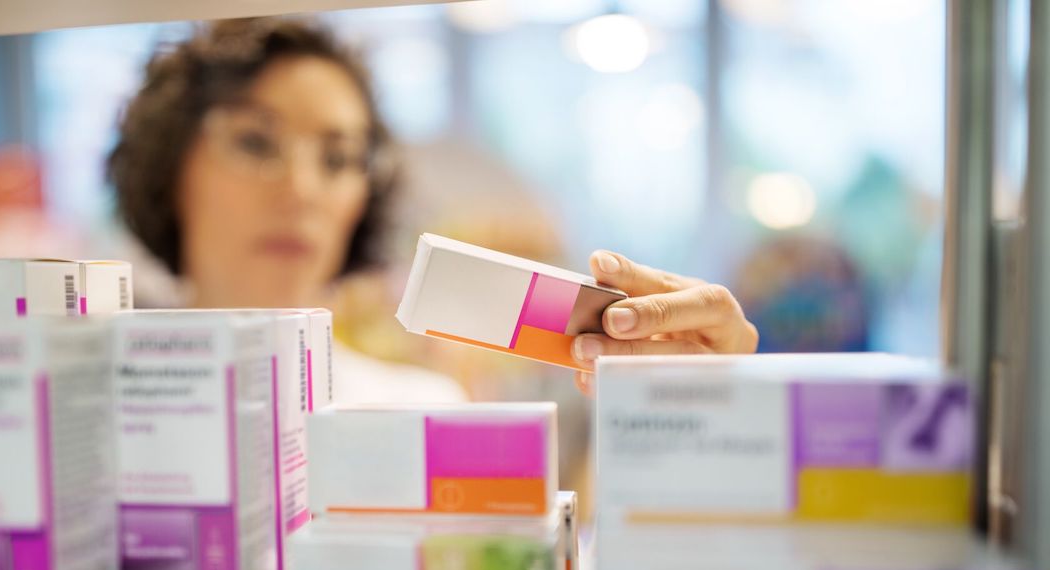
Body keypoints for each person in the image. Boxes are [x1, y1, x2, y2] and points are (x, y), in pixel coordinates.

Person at [108, 18, 758, 402]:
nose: (302, 190)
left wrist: (707, 414)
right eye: (255, 143)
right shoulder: (84, 406)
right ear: (168, 163)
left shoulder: (419, 413)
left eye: (338, 157)